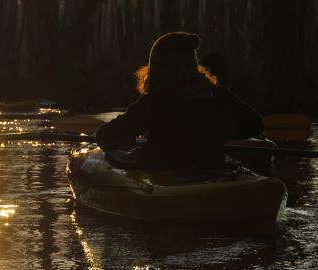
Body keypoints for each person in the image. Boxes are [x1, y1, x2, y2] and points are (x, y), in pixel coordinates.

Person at [95, 32, 263, 169]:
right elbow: (255, 125)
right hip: (211, 171)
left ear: (157, 69)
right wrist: (215, 131)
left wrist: (136, 139)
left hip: (165, 176)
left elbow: (105, 137)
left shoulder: (155, 102)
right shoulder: (219, 95)